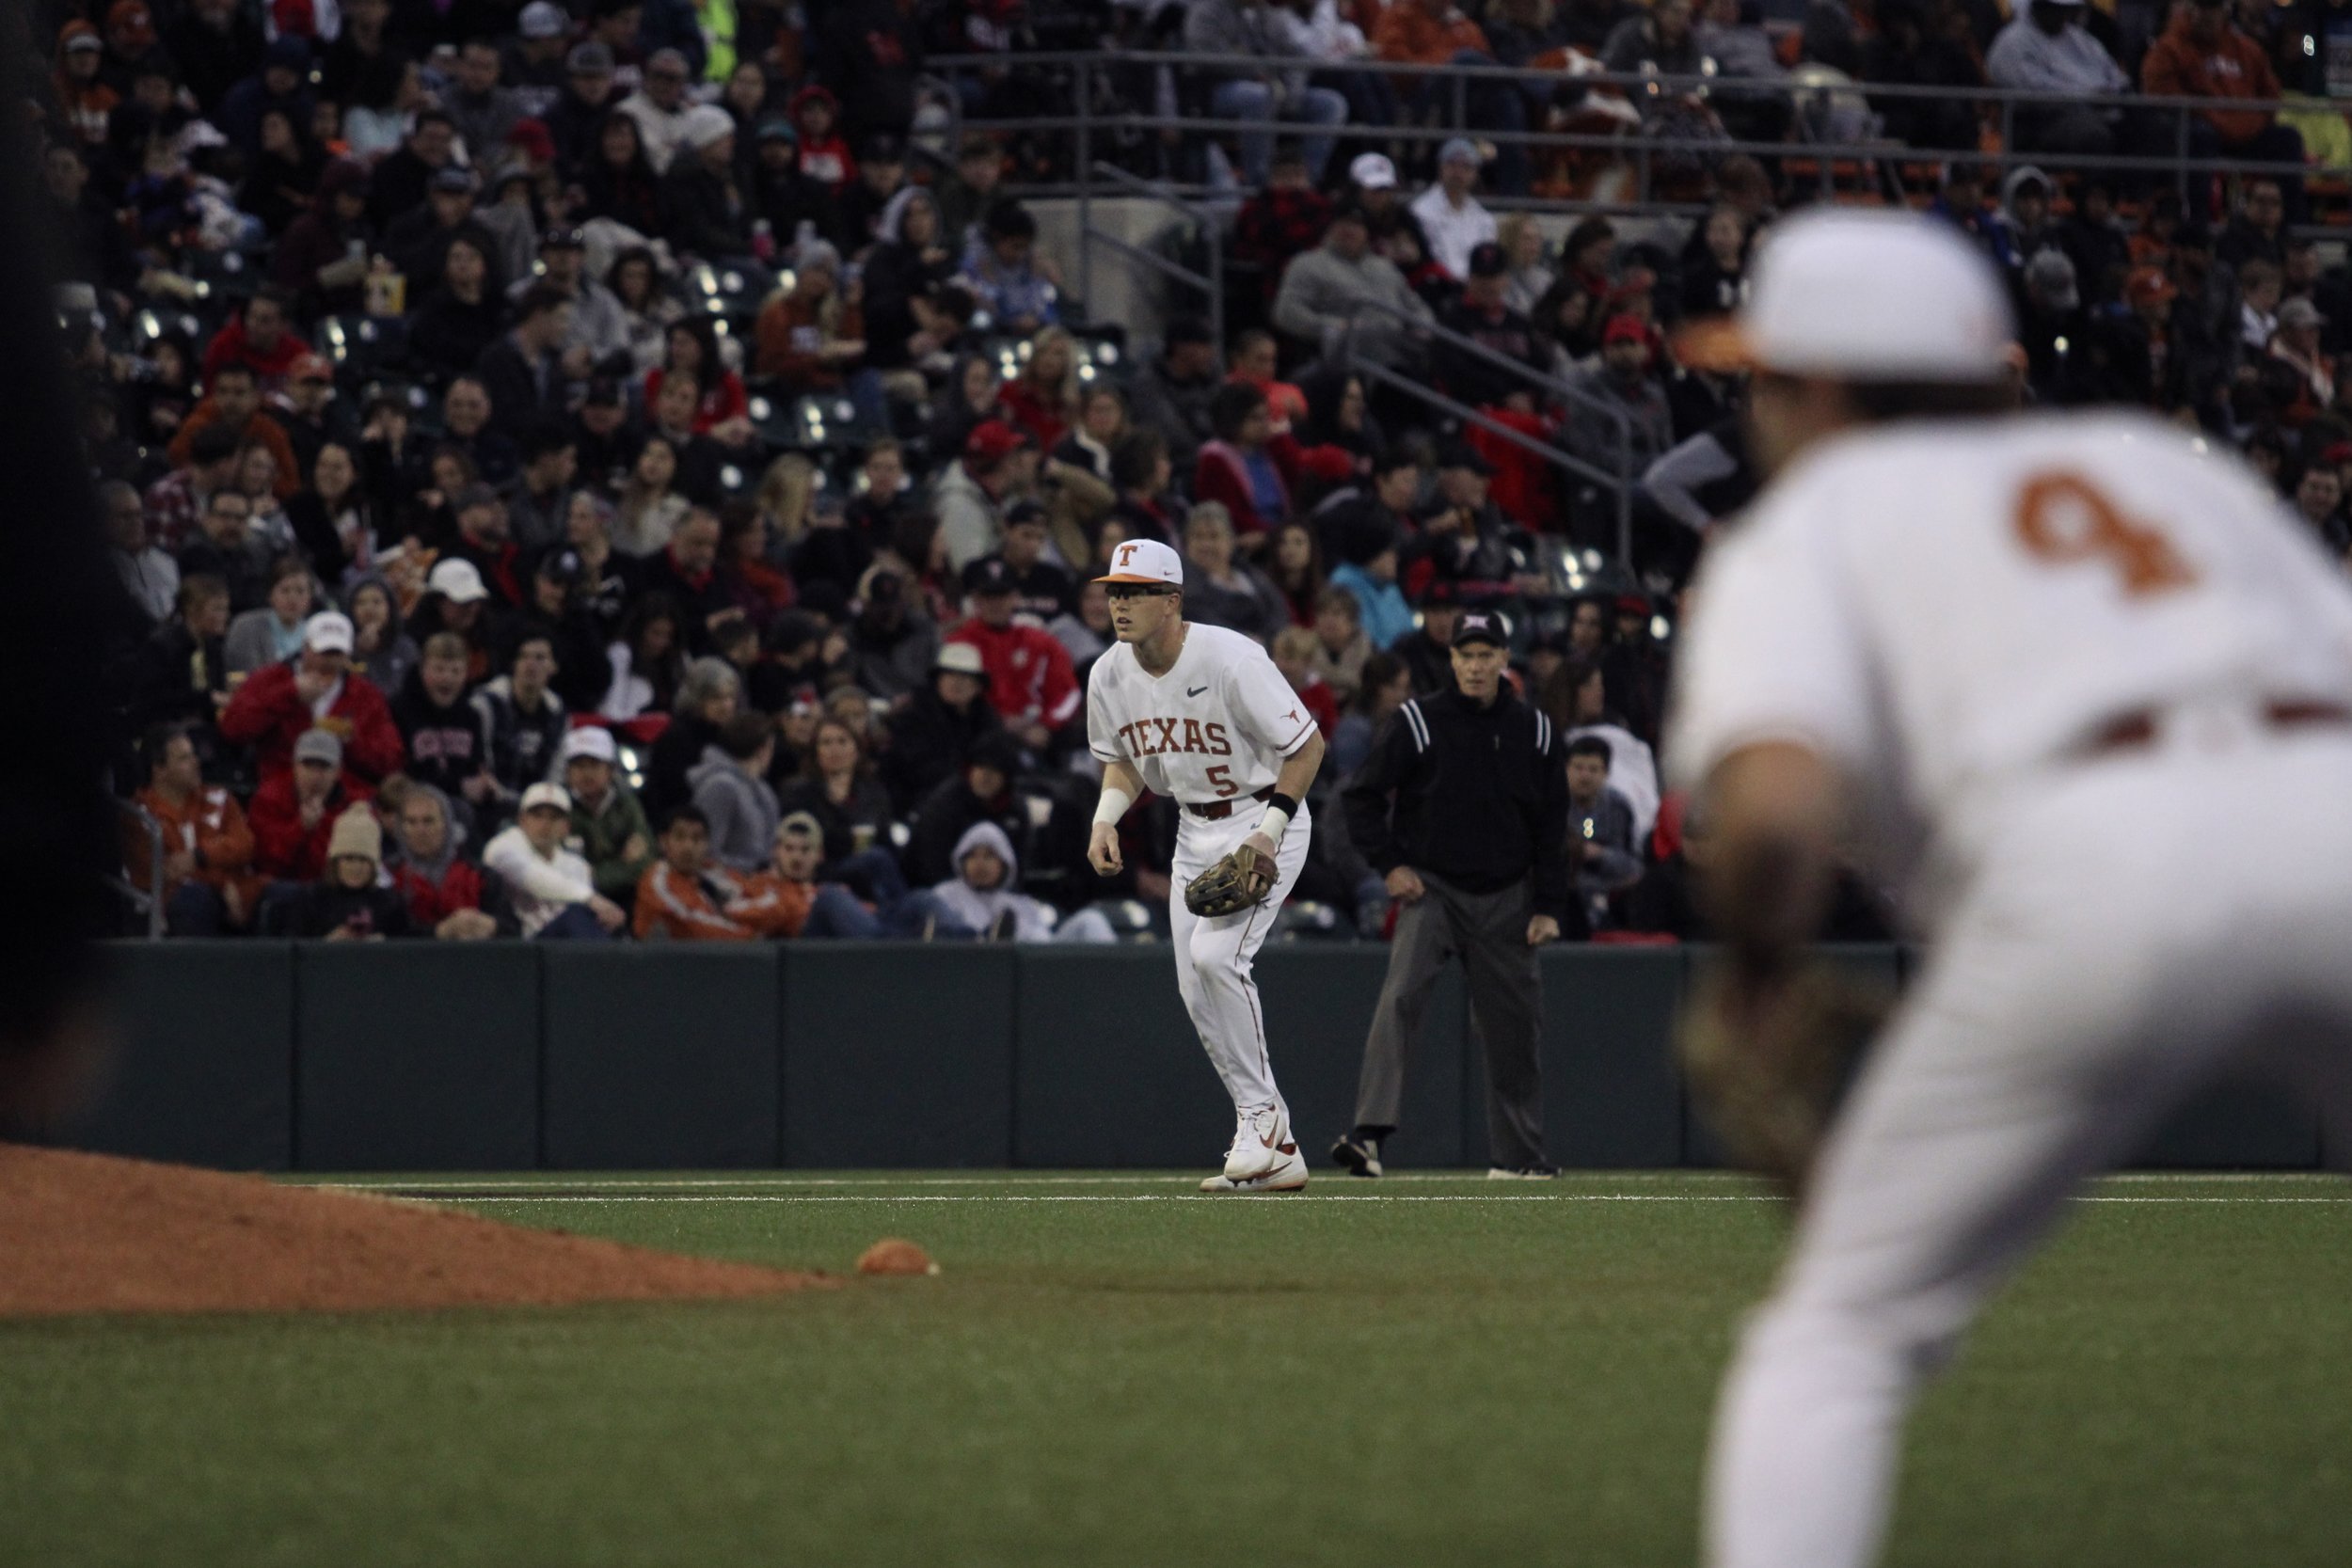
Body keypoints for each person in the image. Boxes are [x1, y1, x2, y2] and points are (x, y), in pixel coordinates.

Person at [1667, 207, 2352, 1568]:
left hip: (2091, 856)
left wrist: (1754, 978)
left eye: (1765, 377)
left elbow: (1779, 808)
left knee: (1839, 1335)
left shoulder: (1810, 525)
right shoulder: (2165, 464)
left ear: (1816, 389)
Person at [1084, 538, 1329, 1194]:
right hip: (1195, 827)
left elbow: (1307, 748)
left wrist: (1269, 835)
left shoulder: (1230, 658)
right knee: (1195, 988)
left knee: (1219, 959)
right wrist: (1106, 816)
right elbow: (1126, 757)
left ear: (1172, 600)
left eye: (1135, 591)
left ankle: (1262, 1122)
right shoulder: (1108, 673)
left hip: (1263, 816)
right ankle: (1275, 1145)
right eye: (1114, 590)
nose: (1120, 603)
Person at [1336, 610, 1569, 1179]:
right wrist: (1389, 864)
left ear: (1503, 661)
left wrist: (1547, 905)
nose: (1475, 665)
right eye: (1466, 655)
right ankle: (1368, 1137)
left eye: (1486, 654)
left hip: (1509, 893)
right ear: (1452, 661)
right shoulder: (1417, 721)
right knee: (1400, 999)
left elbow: (1551, 825)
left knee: (1514, 1026)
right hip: (1432, 889)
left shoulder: (1536, 731)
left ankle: (1517, 1159)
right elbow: (1360, 797)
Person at [218, 610, 405, 788]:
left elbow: (391, 760)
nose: (329, 661)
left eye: (336, 653)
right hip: (280, 791)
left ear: (348, 654)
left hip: (345, 795)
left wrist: (352, 740)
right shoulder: (271, 679)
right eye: (323, 652)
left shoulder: (366, 695)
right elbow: (233, 728)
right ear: (305, 647)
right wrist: (289, 694)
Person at [127, 722, 262, 935]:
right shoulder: (140, 816)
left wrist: (199, 856)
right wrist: (222, 883)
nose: (196, 762)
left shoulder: (220, 799)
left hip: (234, 894)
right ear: (159, 770)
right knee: (193, 899)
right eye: (184, 758)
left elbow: (245, 845)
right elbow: (163, 873)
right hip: (174, 906)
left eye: (193, 755)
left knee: (286, 895)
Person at [632, 804, 804, 940]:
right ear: (663, 842)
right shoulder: (656, 882)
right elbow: (694, 926)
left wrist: (735, 914)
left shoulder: (714, 872)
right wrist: (751, 935)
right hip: (671, 969)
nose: (688, 847)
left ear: (707, 844)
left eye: (697, 839)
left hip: (723, 961)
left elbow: (765, 898)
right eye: (680, 837)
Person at [483, 781, 628, 938]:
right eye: (537, 816)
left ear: (566, 827)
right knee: (575, 916)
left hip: (565, 947)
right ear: (522, 820)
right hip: (519, 945)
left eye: (554, 818)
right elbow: (533, 878)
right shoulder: (502, 847)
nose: (545, 824)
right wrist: (590, 898)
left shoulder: (577, 865)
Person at [384, 784, 502, 940]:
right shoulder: (386, 878)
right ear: (401, 828)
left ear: (446, 824)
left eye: (428, 821)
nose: (420, 830)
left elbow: (512, 930)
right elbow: (387, 933)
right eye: (411, 822)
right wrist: (438, 932)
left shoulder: (481, 876)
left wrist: (492, 926)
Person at [689, 709, 784, 872]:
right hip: (727, 887)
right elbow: (706, 854)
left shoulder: (763, 790)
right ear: (763, 750)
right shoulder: (719, 787)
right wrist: (755, 868)